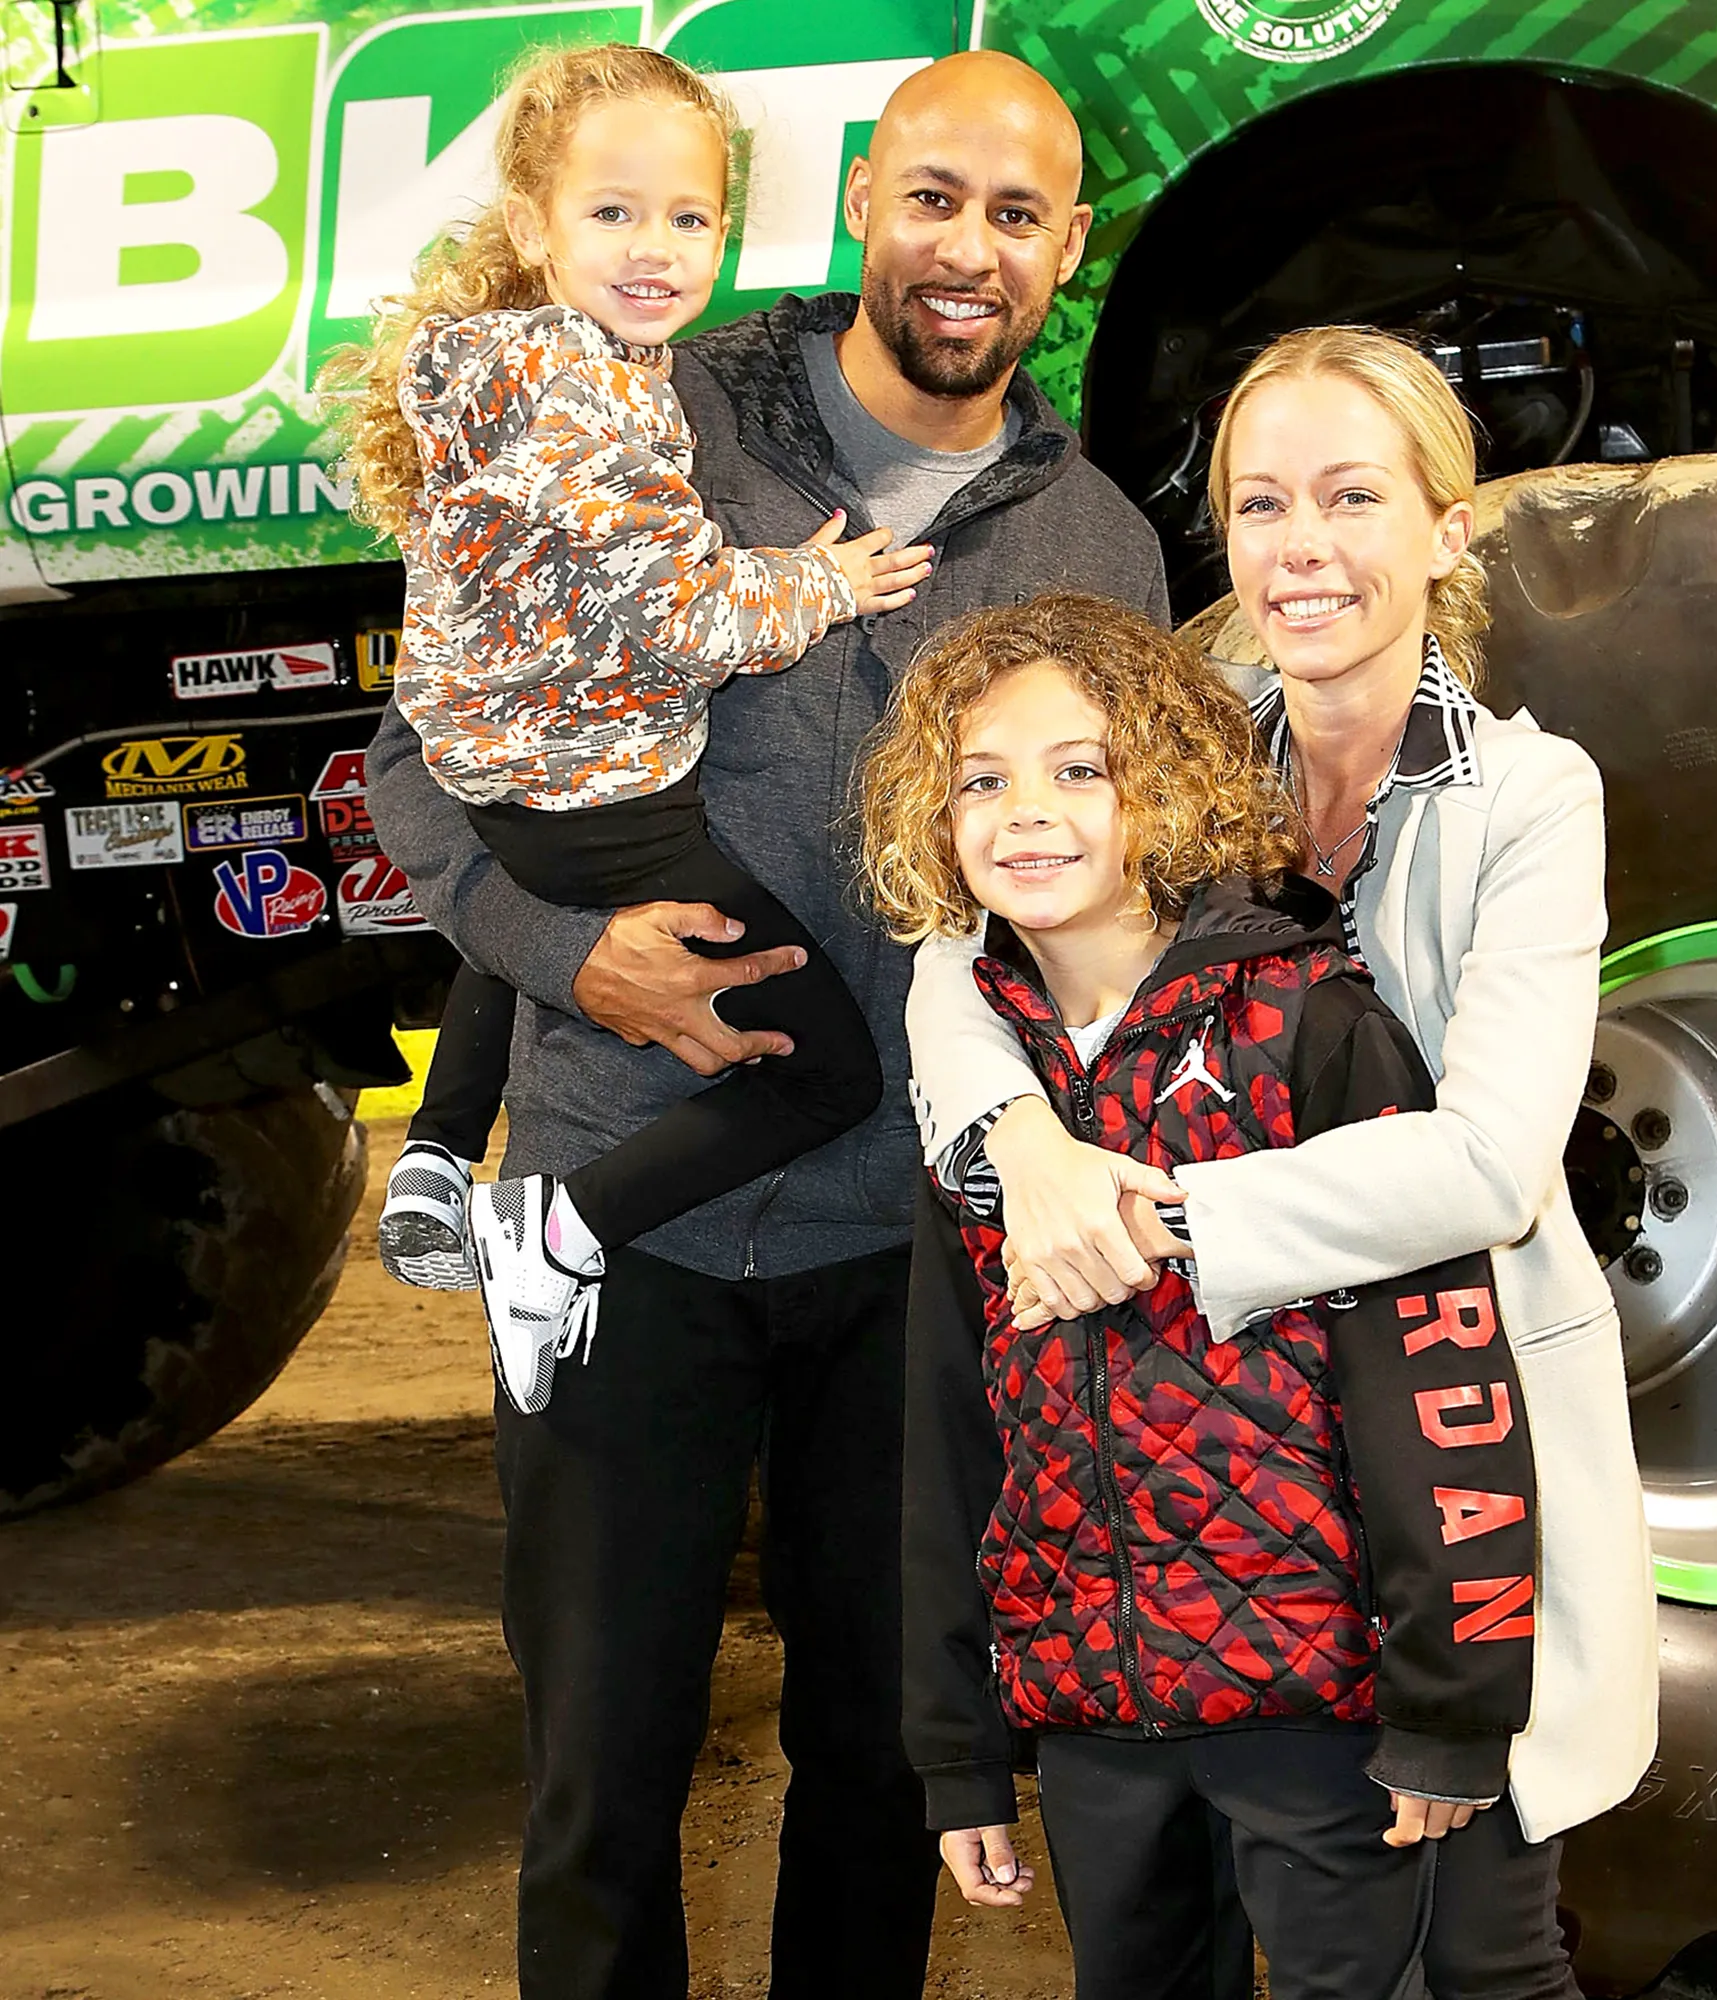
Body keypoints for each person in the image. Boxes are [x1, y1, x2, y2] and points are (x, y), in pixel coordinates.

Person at [361, 48, 1171, 2000]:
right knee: (601, 1778)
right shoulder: (641, 412)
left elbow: (1134, 912)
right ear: (863, 205)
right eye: (930, 195)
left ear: (1064, 248)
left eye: (1013, 213)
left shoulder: (1102, 555)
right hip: (617, 1223)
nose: (965, 248)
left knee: (882, 1772)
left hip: (912, 1260)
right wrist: (574, 962)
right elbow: (420, 766)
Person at [904, 329, 1659, 1994]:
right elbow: (960, 951)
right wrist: (1021, 1141)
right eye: (1260, 505)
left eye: (1352, 497)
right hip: (1236, 1479)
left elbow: (1486, 1167)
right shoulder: (1182, 744)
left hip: (1449, 1446)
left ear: (1448, 527)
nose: (1301, 546)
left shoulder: (1528, 797)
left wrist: (1143, 1213)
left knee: (1484, 1942)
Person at [862, 593, 1548, 2000]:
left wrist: (1449, 1710)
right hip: (1098, 1721)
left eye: (1079, 770)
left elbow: (1438, 1388)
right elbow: (947, 1434)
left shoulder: (1312, 1026)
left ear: (1167, 788)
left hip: (1325, 1716)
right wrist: (958, 1750)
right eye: (980, 781)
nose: (1025, 814)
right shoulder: (979, 1106)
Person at [326, 45, 931, 1411]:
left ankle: (437, 1145)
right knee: (829, 1070)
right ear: (536, 225)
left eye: (689, 218)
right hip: (601, 797)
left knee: (541, 886)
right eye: (613, 214)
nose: (655, 248)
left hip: (523, 781)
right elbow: (694, 616)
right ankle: (556, 1228)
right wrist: (826, 582)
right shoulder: (589, 392)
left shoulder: (509, 362)